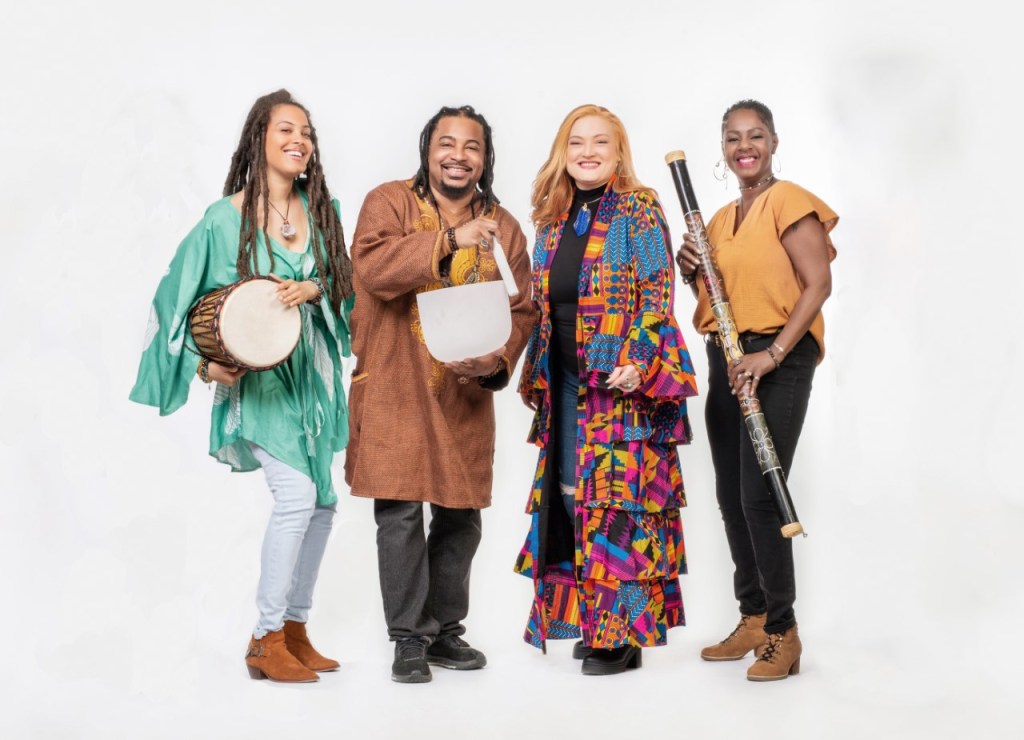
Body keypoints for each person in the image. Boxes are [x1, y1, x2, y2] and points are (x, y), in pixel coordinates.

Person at [130, 89, 353, 683]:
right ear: (259, 138)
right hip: (259, 388)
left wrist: (316, 290)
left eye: (305, 132)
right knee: (297, 499)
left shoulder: (320, 208)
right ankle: (265, 638)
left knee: (325, 503)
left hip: (312, 383)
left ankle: (297, 630)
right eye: (285, 129)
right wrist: (206, 367)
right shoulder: (221, 219)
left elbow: (345, 291)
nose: (298, 140)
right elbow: (174, 302)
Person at [345, 105, 533, 684]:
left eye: (471, 146)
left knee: (461, 518)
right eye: (446, 143)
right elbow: (373, 268)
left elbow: (522, 305)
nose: (458, 154)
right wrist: (450, 239)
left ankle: (446, 632)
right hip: (397, 386)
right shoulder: (388, 202)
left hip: (464, 394)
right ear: (427, 149)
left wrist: (498, 361)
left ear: (485, 157)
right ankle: (407, 639)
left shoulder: (504, 225)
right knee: (400, 514)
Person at [514, 104, 698, 676]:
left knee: (624, 503)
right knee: (572, 497)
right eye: (577, 143)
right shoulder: (552, 217)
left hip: (618, 381)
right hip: (564, 379)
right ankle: (595, 620)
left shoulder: (638, 208)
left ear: (619, 152)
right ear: (561, 153)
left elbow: (657, 289)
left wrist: (639, 359)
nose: (587, 152)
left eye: (600, 142)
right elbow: (543, 305)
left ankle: (625, 635)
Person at [676, 99, 837, 681]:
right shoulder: (718, 219)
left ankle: (784, 633)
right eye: (733, 138)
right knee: (729, 495)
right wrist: (688, 263)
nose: (744, 146)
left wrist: (772, 354)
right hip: (728, 356)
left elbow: (817, 285)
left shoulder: (789, 200)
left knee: (759, 495)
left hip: (779, 355)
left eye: (756, 135)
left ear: (773, 141)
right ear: (723, 149)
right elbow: (718, 288)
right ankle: (754, 614)